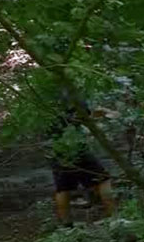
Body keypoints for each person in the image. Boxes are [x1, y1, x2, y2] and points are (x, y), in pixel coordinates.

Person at [47, 93, 116, 225]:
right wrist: (105, 114)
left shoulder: (48, 99)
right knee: (103, 179)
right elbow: (83, 117)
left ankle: (66, 224)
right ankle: (113, 217)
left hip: (56, 148)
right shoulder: (73, 95)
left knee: (62, 188)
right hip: (76, 146)